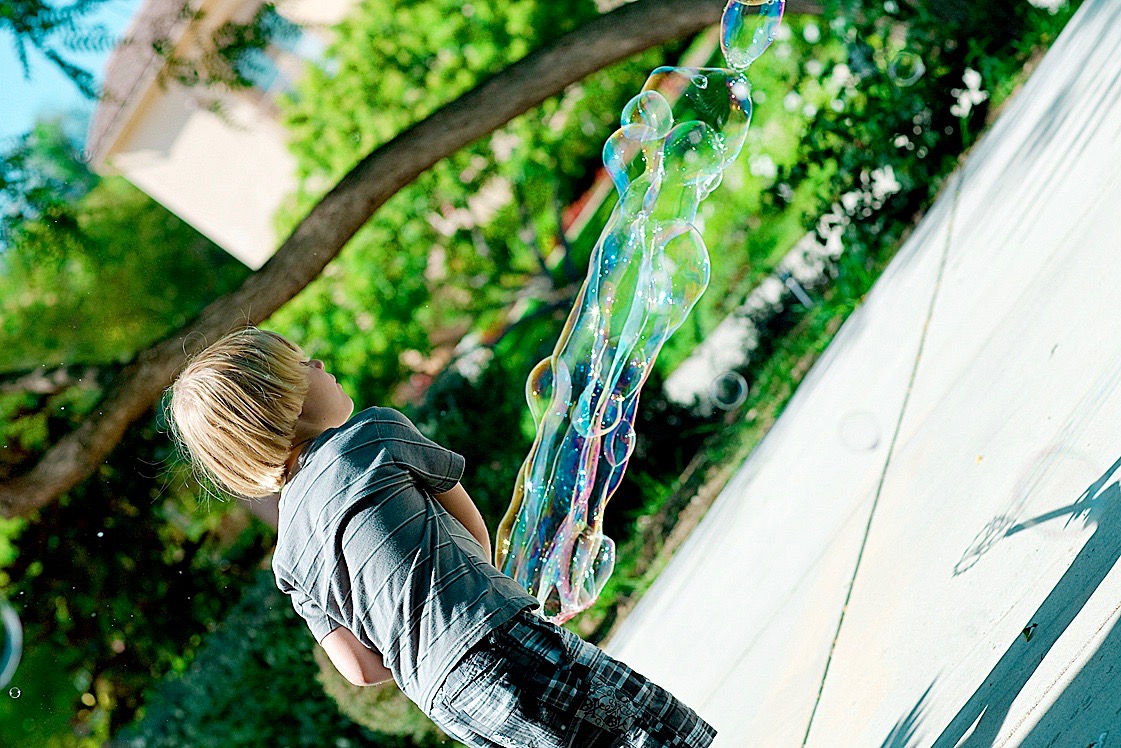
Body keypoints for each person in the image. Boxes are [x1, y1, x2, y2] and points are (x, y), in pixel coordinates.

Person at [166, 325, 718, 748]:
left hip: (445, 697)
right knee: (646, 727)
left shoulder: (289, 556)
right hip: (497, 638)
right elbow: (469, 525)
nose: (320, 363)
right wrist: (486, 585)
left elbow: (361, 670)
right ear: (285, 398)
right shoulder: (371, 435)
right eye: (303, 362)